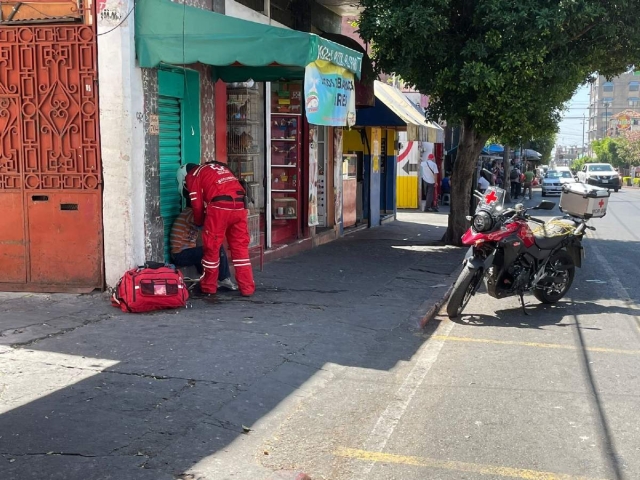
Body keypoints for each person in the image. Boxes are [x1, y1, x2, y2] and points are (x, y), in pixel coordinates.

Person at [183, 162, 255, 297]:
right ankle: (247, 288)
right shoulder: (218, 168)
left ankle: (209, 287)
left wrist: (200, 222)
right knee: (241, 249)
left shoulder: (193, 175)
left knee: (212, 249)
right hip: (240, 205)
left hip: (219, 208)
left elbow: (197, 204)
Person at [170, 194, 237, 291]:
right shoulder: (189, 213)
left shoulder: (190, 214)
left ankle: (214, 279)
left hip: (185, 253)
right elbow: (205, 224)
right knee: (217, 248)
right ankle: (223, 278)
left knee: (210, 251)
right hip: (180, 255)